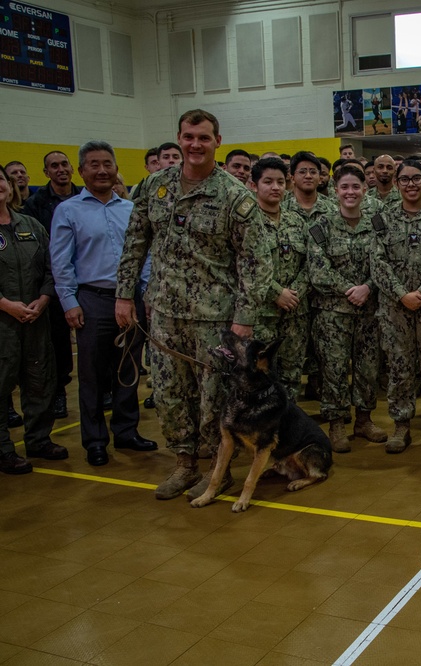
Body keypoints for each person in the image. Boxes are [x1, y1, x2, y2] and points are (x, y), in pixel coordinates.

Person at [115, 108, 274, 501]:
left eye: (204, 137)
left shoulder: (235, 197)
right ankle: (184, 464)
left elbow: (256, 262)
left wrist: (244, 319)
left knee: (213, 400)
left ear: (217, 141)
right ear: (179, 138)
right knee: (169, 393)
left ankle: (216, 470)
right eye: (188, 136)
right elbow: (135, 244)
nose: (195, 144)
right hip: (165, 314)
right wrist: (124, 294)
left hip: (215, 319)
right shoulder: (154, 187)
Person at [49, 141, 157, 467]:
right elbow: (61, 262)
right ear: (82, 171)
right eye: (94, 164)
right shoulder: (68, 211)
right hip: (92, 300)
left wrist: (146, 292)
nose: (101, 170)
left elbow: (145, 256)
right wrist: (69, 302)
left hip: (131, 300)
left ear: (115, 168)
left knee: (129, 369)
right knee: (93, 375)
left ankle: (126, 431)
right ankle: (95, 440)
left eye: (107, 163)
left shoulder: (130, 209)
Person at [371, 159, 421, 454]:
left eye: (417, 178)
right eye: (404, 179)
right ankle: (401, 424)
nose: (411, 184)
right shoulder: (383, 218)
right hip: (395, 308)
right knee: (399, 367)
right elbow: (377, 262)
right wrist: (401, 294)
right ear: (396, 183)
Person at [307, 163, 387, 452]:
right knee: (334, 368)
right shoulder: (321, 225)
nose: (350, 192)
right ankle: (337, 422)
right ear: (336, 191)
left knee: (368, 368)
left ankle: (364, 419)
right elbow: (318, 270)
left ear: (365, 190)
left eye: (355, 187)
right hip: (333, 313)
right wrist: (348, 290)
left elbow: (385, 260)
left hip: (369, 310)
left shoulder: (377, 223)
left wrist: (368, 286)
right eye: (344, 187)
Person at [0, 164, 66, 474]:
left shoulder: (31, 225)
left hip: (36, 318)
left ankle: (38, 439)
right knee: (1, 385)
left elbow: (52, 267)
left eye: (0, 180)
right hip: (3, 322)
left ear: (10, 186)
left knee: (40, 380)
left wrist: (43, 299)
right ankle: (2, 449)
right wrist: (5, 304)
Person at [22, 150, 82, 420]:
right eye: (54, 166)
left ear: (73, 168)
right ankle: (59, 392)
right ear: (46, 173)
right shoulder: (36, 205)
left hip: (88, 279)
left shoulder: (85, 196)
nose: (60, 169)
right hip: (57, 281)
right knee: (59, 342)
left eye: (64, 164)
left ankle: (106, 390)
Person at [250, 158, 311, 401]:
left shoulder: (296, 221)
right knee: (259, 376)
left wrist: (294, 292)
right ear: (254, 185)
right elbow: (244, 266)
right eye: (268, 182)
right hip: (260, 314)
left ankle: (288, 427)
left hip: (295, 312)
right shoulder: (246, 221)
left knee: (291, 375)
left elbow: (310, 262)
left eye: (280, 182)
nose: (275, 187)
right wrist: (277, 293)